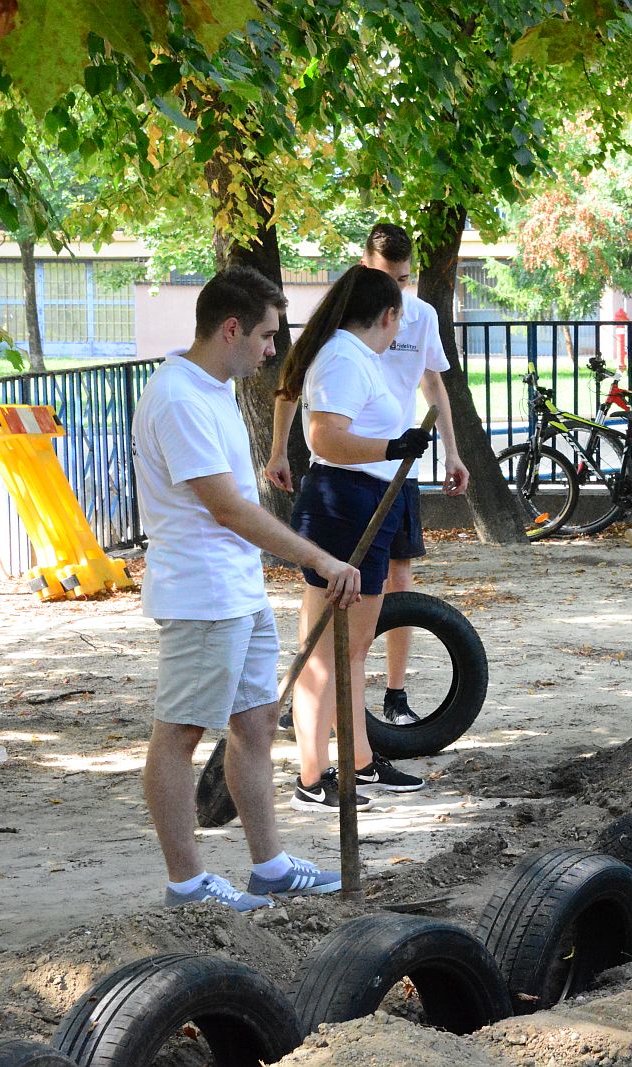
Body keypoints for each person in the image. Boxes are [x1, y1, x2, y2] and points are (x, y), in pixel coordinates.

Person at [133, 267, 364, 911]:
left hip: (238, 588)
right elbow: (227, 508)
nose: (272, 350)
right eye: (266, 336)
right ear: (230, 328)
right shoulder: (178, 397)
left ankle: (269, 867)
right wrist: (317, 557)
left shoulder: (213, 387)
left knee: (255, 724)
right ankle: (188, 884)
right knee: (180, 735)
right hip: (202, 594)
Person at [267, 223, 469, 727]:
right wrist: (278, 451)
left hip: (394, 471)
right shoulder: (342, 333)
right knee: (329, 601)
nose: (396, 290)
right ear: (364, 271)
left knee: (392, 582)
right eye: (387, 279)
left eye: (404, 279)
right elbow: (298, 396)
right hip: (350, 476)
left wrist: (452, 452)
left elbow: (434, 386)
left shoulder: (417, 317)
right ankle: (312, 707)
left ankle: (392, 695)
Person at [275, 265, 435, 811]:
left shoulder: (356, 355)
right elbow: (325, 437)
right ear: (388, 316)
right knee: (325, 650)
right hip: (342, 505)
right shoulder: (344, 356)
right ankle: (311, 775)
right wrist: (393, 448)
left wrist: (393, 452)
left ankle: (360, 762)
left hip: (369, 501)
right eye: (399, 320)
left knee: (354, 647)